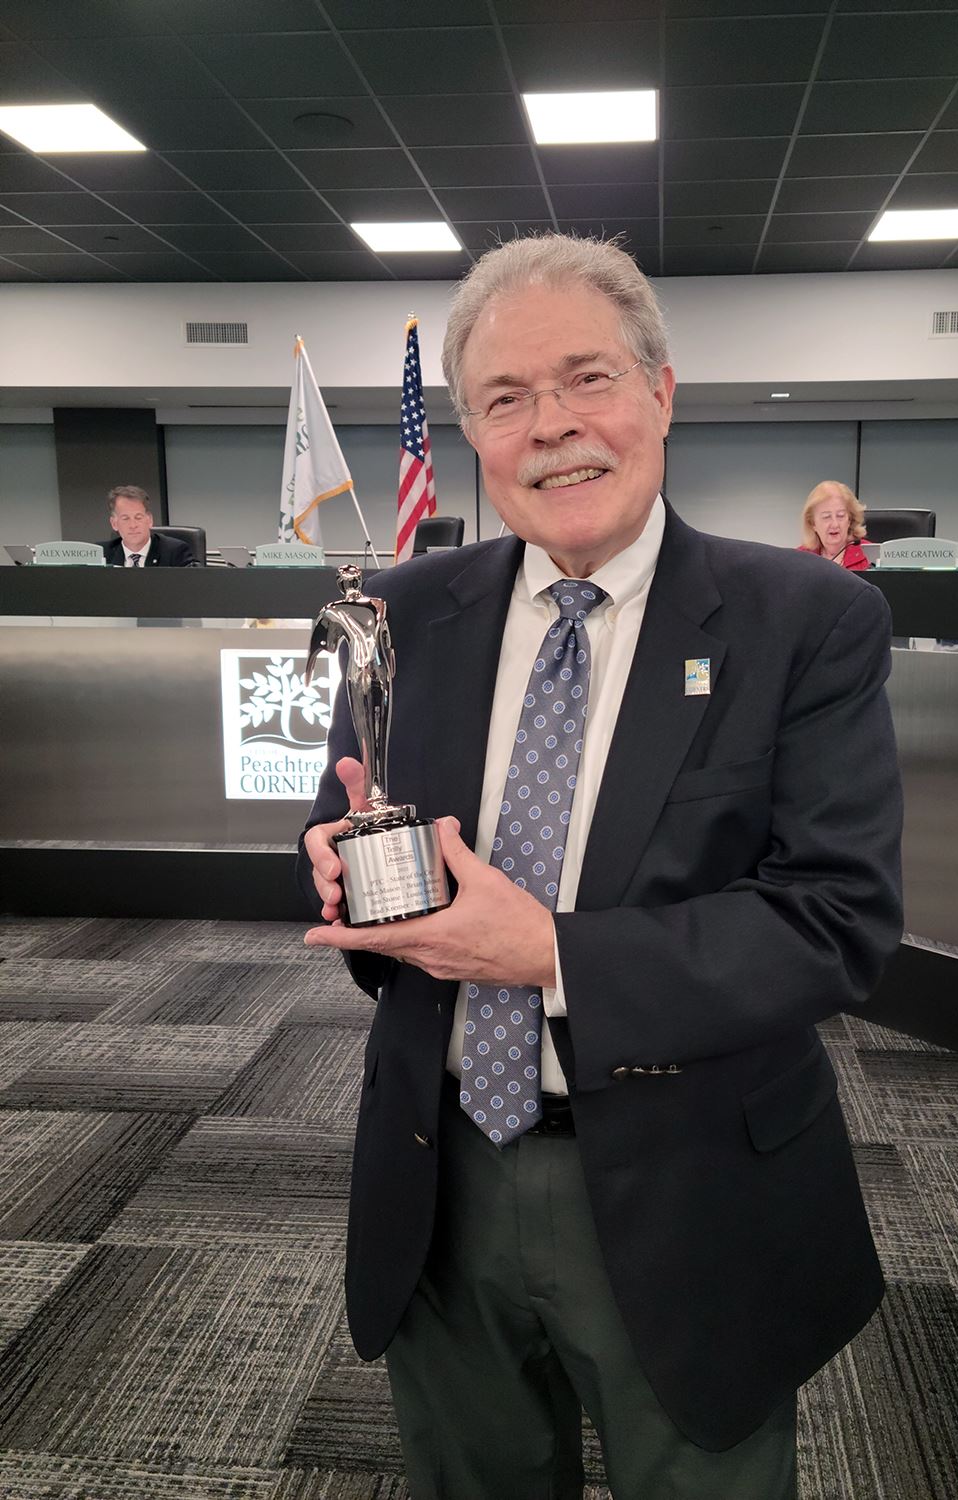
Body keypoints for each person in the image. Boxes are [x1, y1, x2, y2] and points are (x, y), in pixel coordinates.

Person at [298, 235, 903, 1500]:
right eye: (507, 399)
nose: (554, 428)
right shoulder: (408, 614)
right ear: (469, 430)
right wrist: (337, 871)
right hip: (439, 1174)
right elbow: (353, 824)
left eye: (588, 379)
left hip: (692, 1195)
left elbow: (837, 921)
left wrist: (554, 957)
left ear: (662, 392)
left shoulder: (806, 622)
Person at [102, 485, 195, 567]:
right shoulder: (101, 554)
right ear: (114, 524)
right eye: (125, 519)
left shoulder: (175, 552)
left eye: (138, 518)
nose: (133, 525)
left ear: (149, 520)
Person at [797, 480, 870, 570]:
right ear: (813, 523)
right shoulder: (799, 559)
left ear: (850, 519)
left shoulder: (869, 555)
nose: (835, 524)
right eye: (827, 517)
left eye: (840, 516)